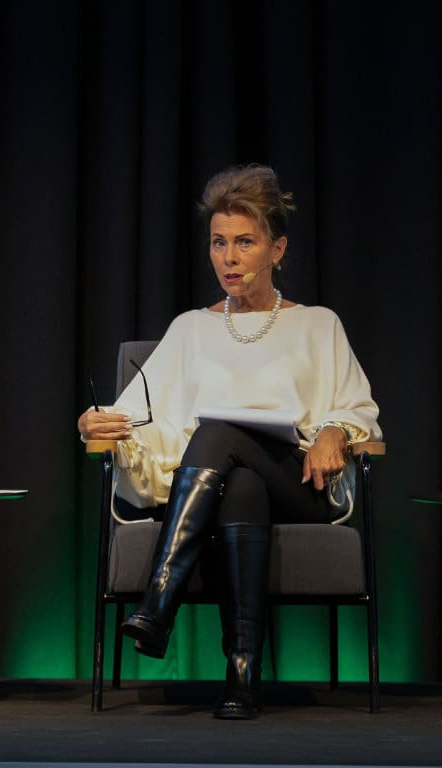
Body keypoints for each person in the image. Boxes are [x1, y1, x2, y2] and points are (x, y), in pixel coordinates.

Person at [77, 164, 382, 720]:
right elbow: (131, 414)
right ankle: (241, 676)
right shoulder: (191, 327)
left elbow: (358, 406)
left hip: (302, 486)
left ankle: (157, 605)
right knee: (238, 482)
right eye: (219, 243)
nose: (229, 257)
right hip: (220, 490)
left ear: (277, 249)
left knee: (217, 432)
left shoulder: (318, 325)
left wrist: (336, 430)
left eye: (245, 242)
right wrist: (90, 424)